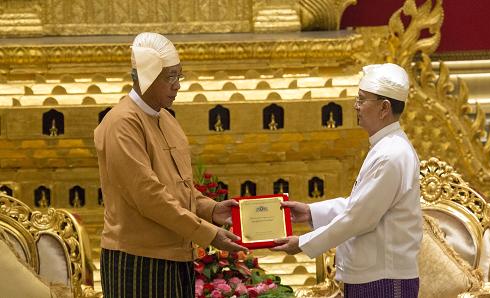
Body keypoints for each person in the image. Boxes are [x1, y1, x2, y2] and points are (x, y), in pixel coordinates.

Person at [94, 32, 247, 298]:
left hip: (177, 254)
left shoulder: (166, 119)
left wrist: (211, 210)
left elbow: (179, 189)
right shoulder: (122, 123)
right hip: (138, 260)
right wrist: (208, 234)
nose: (177, 85)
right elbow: (149, 197)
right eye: (170, 77)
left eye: (179, 76)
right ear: (146, 78)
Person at [272, 63, 422, 297]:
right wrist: (311, 212)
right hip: (372, 274)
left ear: (384, 108)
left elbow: (360, 218)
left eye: (362, 100)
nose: (356, 106)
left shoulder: (391, 154)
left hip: (384, 279)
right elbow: (361, 204)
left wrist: (304, 243)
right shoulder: (385, 147)